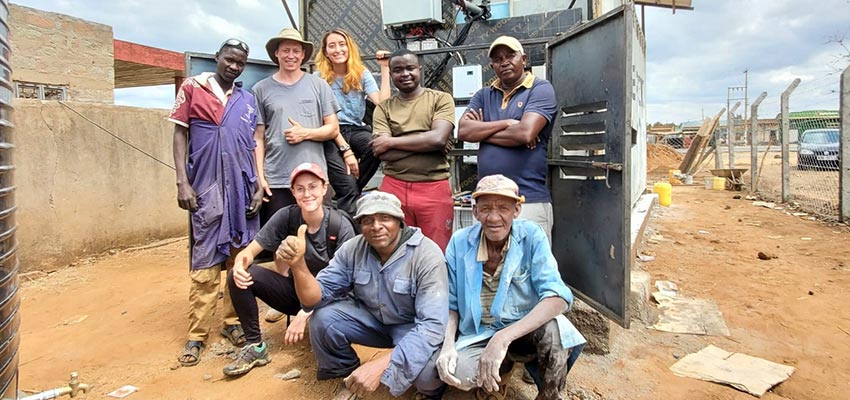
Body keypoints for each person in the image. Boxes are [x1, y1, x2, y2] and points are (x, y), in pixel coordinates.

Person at [280, 191, 448, 399]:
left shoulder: (427, 255)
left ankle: (431, 392)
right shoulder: (352, 249)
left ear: (400, 221)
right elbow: (313, 299)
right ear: (360, 225)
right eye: (368, 220)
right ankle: (345, 371)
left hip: (411, 327)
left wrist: (380, 365)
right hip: (372, 321)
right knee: (323, 319)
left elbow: (432, 327)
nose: (376, 226)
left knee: (427, 376)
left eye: (385, 218)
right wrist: (298, 265)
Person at [437, 175, 586, 400]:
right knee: (458, 373)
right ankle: (501, 369)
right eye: (485, 208)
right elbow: (452, 304)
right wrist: (447, 346)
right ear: (475, 212)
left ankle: (549, 395)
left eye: (503, 208)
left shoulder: (532, 236)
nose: (494, 217)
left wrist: (503, 338)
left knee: (555, 332)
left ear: (516, 210)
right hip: (478, 334)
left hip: (524, 331)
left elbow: (558, 297)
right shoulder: (459, 242)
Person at [168, 38, 261, 367]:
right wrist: (182, 181)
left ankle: (232, 323)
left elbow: (253, 144)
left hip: (242, 189)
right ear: (217, 58)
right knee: (205, 262)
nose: (234, 66)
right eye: (229, 59)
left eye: (240, 63)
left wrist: (257, 186)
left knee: (240, 260)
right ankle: (197, 334)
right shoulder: (194, 87)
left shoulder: (247, 99)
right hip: (207, 188)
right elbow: (180, 134)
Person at [223, 162, 356, 377]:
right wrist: (240, 264)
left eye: (313, 187)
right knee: (240, 275)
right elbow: (249, 252)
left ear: (324, 188)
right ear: (293, 192)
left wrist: (306, 313)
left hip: (333, 300)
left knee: (328, 311)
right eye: (300, 189)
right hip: (297, 292)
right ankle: (255, 346)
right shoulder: (287, 216)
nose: (307, 194)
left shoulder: (340, 226)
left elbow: (346, 283)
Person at [457, 36, 559, 240]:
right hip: (487, 203)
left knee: (529, 268)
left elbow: (525, 133)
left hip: (527, 200)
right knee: (490, 267)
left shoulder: (540, 89)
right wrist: (507, 123)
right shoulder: (483, 95)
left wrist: (483, 133)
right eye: (497, 59)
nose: (504, 62)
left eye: (510, 55)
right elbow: (464, 132)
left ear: (524, 59)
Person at [252, 27, 344, 227]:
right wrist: (260, 177)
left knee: (318, 238)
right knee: (280, 242)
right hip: (277, 178)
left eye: (296, 51)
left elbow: (333, 129)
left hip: (314, 179)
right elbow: (258, 138)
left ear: (303, 55)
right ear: (276, 53)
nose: (291, 56)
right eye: (285, 50)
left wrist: (305, 133)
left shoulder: (319, 86)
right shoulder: (260, 89)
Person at [371, 49, 456, 251]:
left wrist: (392, 141)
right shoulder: (383, 108)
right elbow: (382, 152)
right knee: (393, 251)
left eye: (410, 68)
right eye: (398, 70)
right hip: (394, 187)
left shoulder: (441, 99)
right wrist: (428, 142)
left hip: (433, 187)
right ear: (390, 74)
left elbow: (437, 138)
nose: (405, 74)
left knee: (436, 252)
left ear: (420, 69)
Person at [314, 28, 391, 195]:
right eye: (332, 46)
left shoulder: (361, 73)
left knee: (378, 146)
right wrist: (346, 151)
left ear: (349, 47)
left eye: (342, 44)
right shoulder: (318, 78)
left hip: (356, 129)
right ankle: (349, 190)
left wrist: (385, 68)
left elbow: (383, 104)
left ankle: (351, 189)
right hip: (330, 133)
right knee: (343, 176)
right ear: (326, 52)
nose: (338, 50)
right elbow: (324, 120)